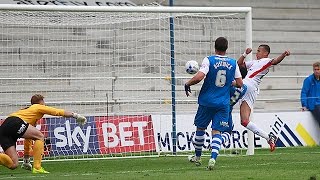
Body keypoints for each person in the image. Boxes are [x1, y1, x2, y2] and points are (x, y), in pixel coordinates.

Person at [184, 37, 243, 170]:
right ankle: (213, 158)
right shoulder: (233, 63)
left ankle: (198, 157)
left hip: (207, 101)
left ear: (214, 47)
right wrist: (229, 82)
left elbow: (199, 77)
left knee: (200, 128)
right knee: (217, 132)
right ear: (226, 48)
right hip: (223, 103)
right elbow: (240, 84)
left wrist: (188, 83)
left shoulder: (209, 60)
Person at [0, 94, 87, 174]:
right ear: (40, 103)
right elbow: (57, 111)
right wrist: (76, 116)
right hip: (14, 121)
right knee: (40, 137)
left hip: (3, 129)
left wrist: (26, 159)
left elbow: (28, 140)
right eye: (44, 103)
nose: (44, 105)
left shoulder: (28, 114)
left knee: (13, 164)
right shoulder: (37, 107)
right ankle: (37, 167)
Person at [237, 45, 290, 152]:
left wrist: (283, 55)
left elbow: (275, 61)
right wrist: (244, 54)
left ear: (266, 53)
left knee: (231, 84)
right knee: (244, 121)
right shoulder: (254, 62)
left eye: (259, 51)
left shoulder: (266, 60)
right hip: (250, 90)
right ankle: (268, 137)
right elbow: (239, 64)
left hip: (249, 85)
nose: (257, 53)